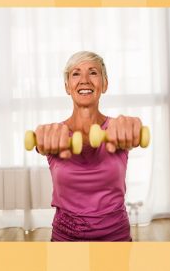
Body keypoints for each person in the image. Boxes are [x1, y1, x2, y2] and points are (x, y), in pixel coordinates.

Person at [35, 51, 143, 241]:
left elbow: (132, 129)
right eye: (76, 73)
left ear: (105, 84)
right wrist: (42, 137)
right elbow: (41, 142)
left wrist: (133, 125)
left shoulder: (118, 129)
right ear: (67, 86)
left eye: (93, 72)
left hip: (115, 238)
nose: (84, 80)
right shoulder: (55, 134)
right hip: (66, 239)